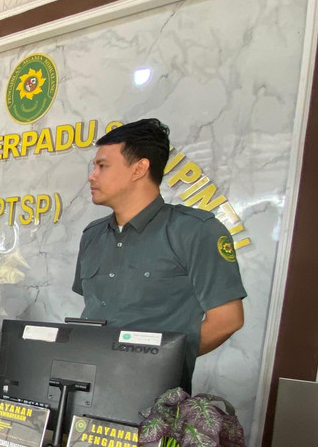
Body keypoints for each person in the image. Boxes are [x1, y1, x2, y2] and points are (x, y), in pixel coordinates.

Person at [74, 118, 246, 382]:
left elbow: (227, 320)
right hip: (84, 384)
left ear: (139, 168)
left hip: (152, 393)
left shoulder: (195, 230)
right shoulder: (93, 235)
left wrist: (160, 360)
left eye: (102, 166)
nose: (92, 176)